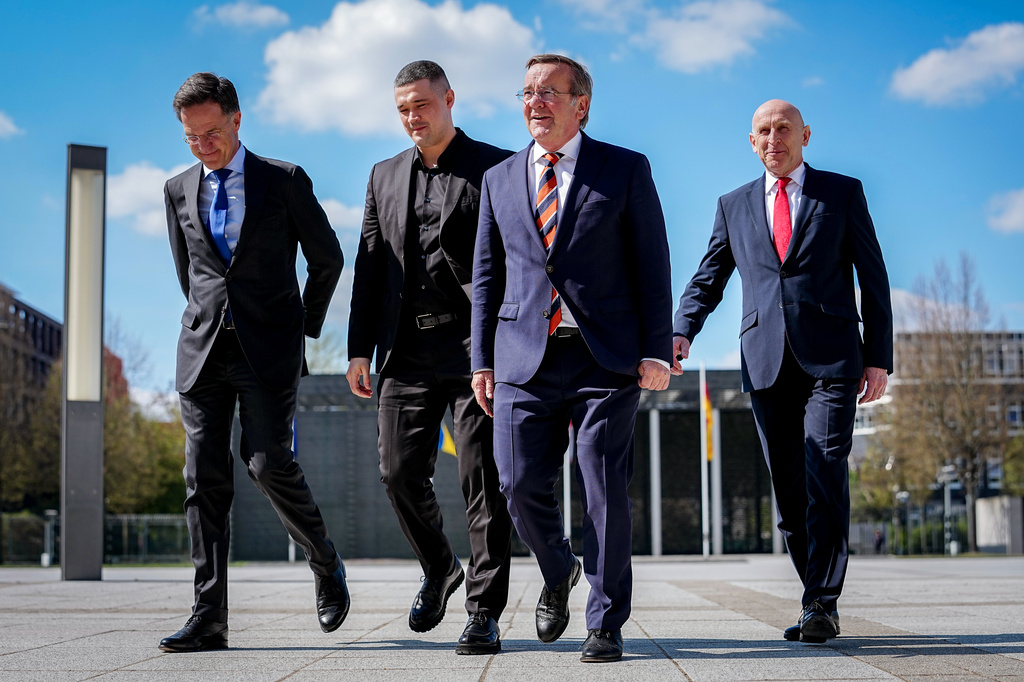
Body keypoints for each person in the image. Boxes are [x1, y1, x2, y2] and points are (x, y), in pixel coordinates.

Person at [471, 54, 673, 663]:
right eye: (527, 92)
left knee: (604, 485)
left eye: (550, 93)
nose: (536, 102)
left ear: (581, 104)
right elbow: (487, 275)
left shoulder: (625, 168)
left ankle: (605, 621)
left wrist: (654, 350)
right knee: (515, 481)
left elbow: (652, 263)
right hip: (520, 360)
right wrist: (481, 358)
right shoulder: (500, 178)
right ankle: (558, 569)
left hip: (603, 358)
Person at [671, 99, 893, 643]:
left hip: (833, 358)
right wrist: (680, 330)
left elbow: (874, 274)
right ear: (752, 142)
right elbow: (709, 276)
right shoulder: (733, 204)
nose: (775, 139)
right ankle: (814, 592)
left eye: (784, 129)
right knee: (789, 496)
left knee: (825, 468)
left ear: (806, 135)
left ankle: (821, 601)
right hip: (766, 361)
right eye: (764, 131)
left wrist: (878, 356)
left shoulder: (841, 192)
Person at [160, 72, 349, 652]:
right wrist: (204, 321)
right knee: (203, 481)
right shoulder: (175, 188)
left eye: (211, 133)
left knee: (267, 463)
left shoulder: (283, 181)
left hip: (268, 350)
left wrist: (301, 330)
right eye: (191, 137)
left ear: (237, 121)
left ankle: (325, 562)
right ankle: (208, 617)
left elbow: (327, 259)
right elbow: (189, 274)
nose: (202, 146)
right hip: (202, 352)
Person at [346, 61, 514, 655]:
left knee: (483, 480)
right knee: (397, 473)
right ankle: (441, 567)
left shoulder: (496, 166)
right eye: (403, 109)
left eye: (422, 104)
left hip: (475, 347)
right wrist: (357, 350)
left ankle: (484, 612)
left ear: (448, 99)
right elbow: (370, 265)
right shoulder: (383, 175)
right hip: (404, 350)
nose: (413, 118)